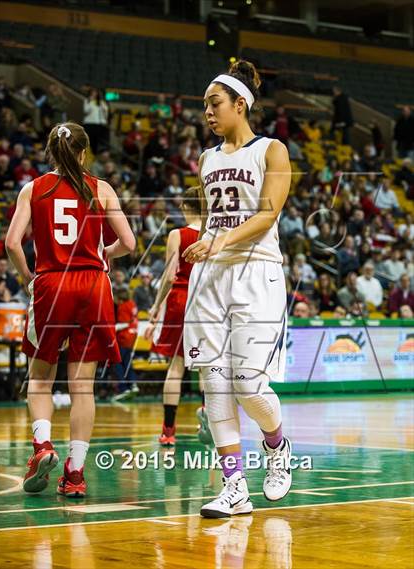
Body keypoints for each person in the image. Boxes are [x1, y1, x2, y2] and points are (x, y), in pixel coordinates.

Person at [182, 60, 292, 518]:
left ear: (239, 104)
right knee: (215, 387)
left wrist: (218, 240)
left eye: (214, 104)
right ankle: (234, 489)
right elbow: (212, 220)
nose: (207, 113)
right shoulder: (207, 159)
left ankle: (277, 443)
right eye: (205, 106)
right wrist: (203, 244)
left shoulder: (272, 149)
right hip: (212, 276)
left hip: (257, 271)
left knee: (248, 386)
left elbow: (268, 214)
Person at [5, 122, 135, 498]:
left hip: (52, 283)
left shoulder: (34, 189)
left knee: (41, 378)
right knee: (83, 388)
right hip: (94, 286)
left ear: (50, 152)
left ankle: (43, 445)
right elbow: (128, 241)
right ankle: (75, 474)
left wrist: (29, 277)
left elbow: (13, 243)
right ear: (84, 153)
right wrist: (104, 254)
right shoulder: (102, 188)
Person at [144, 187, 204, 445]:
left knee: (176, 367)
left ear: (184, 207)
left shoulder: (177, 234)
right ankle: (210, 421)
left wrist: (157, 306)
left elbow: (169, 277)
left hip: (181, 299)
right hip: (207, 301)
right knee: (205, 366)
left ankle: (168, 431)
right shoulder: (214, 234)